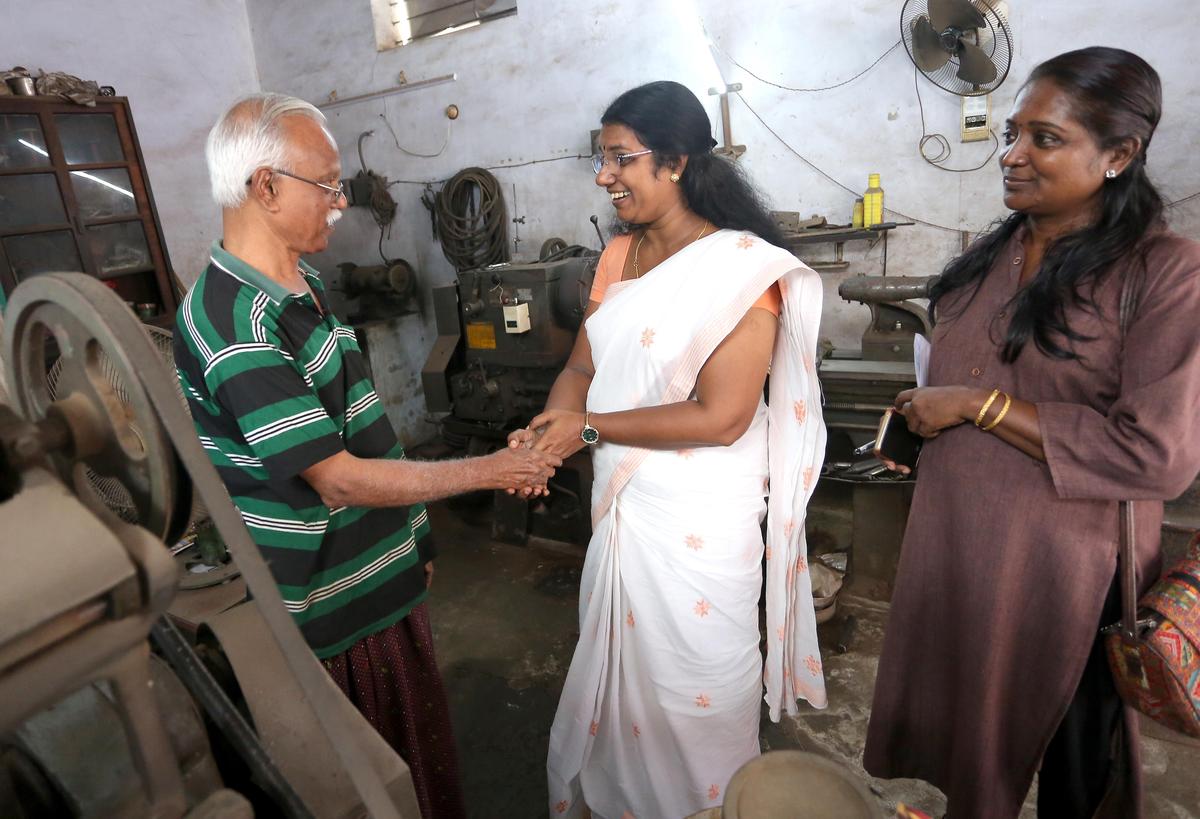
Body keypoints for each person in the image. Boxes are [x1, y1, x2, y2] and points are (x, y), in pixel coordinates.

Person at [173, 93, 560, 819]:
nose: (341, 201)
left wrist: (413, 537)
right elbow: (340, 478)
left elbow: (362, 426)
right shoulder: (233, 322)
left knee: (419, 767)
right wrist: (491, 470)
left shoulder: (303, 282)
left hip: (379, 575)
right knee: (365, 783)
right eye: (328, 185)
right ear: (265, 186)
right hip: (328, 608)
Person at [863, 48, 1200, 819]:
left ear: (1118, 155)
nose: (1011, 155)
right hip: (950, 549)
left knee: (1066, 760)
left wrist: (977, 407)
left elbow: (1159, 453)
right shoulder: (987, 263)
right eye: (1012, 133)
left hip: (1060, 572)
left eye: (1044, 138)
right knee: (939, 749)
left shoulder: (1165, 273)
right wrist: (924, 414)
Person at [508, 80, 827, 819]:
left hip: (700, 517)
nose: (603, 175)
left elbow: (720, 416)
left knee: (696, 681)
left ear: (676, 161)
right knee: (624, 675)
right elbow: (582, 368)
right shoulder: (618, 254)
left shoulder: (744, 267)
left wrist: (587, 430)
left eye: (621, 158)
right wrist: (550, 434)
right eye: (600, 158)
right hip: (626, 501)